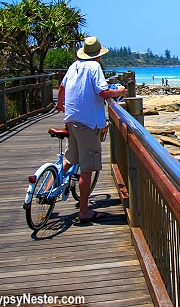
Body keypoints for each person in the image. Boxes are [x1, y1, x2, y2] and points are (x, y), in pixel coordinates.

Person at [55, 36, 126, 223]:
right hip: (87, 123)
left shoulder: (74, 66)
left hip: (71, 119)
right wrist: (119, 91)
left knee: (72, 157)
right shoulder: (94, 67)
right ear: (98, 55)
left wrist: (60, 105)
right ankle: (84, 211)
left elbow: (62, 87)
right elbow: (102, 92)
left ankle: (48, 187)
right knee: (87, 168)